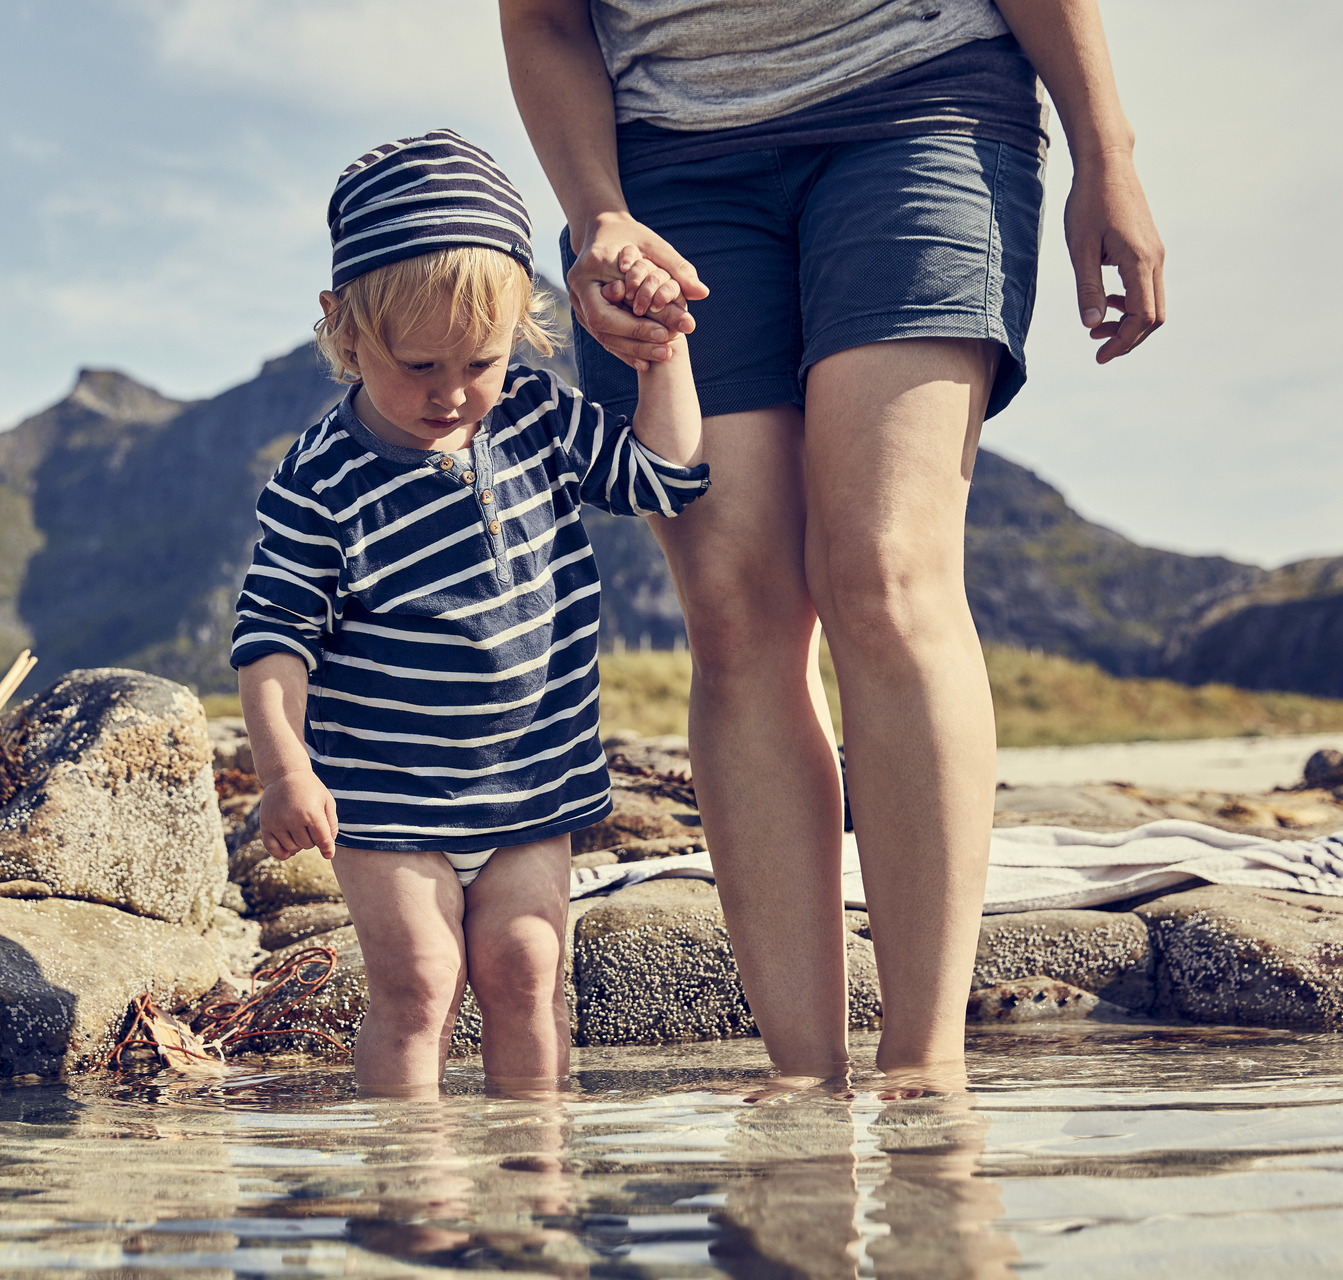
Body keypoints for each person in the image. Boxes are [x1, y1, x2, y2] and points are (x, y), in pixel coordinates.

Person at [498, 0, 1165, 1092]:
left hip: (923, 103)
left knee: (884, 573)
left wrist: (1108, 149)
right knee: (734, 608)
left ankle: (924, 1072)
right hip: (668, 163)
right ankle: (801, 1084)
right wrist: (595, 214)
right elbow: (543, 20)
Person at [231, 130, 709, 1094]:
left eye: (478, 363)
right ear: (343, 327)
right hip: (386, 795)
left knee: (529, 973)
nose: (451, 396)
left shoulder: (534, 411)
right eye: (417, 367)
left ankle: (536, 1197)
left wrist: (664, 358)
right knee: (418, 982)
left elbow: (660, 478)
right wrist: (288, 772)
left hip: (531, 777)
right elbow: (272, 638)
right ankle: (414, 1196)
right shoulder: (321, 475)